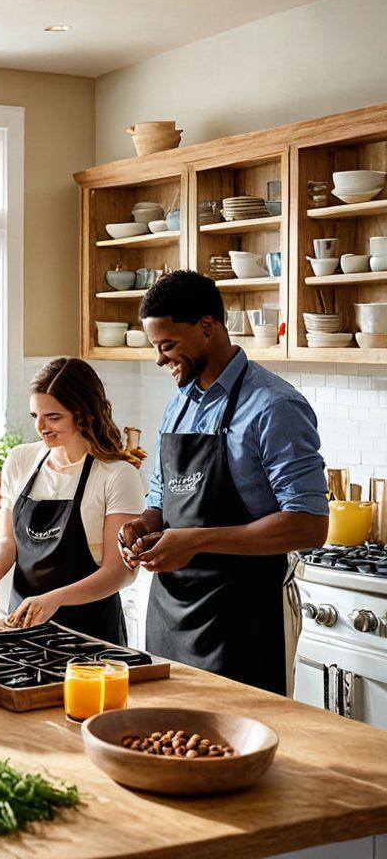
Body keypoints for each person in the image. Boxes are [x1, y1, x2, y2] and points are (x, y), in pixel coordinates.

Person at [120, 270, 328, 694]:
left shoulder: (275, 406)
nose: (159, 359)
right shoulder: (178, 405)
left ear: (207, 327)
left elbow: (309, 524)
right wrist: (143, 525)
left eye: (167, 345)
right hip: (170, 612)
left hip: (243, 617)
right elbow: (163, 499)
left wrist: (194, 541)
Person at [0, 357, 145, 644]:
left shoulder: (116, 475)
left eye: (53, 417)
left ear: (82, 414)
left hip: (90, 638)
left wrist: (55, 600)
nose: (41, 427)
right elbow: (7, 541)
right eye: (35, 415)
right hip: (22, 631)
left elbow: (120, 572)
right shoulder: (20, 460)